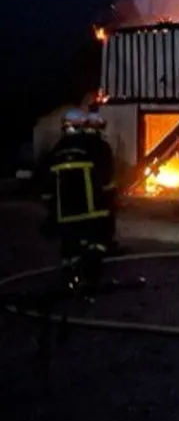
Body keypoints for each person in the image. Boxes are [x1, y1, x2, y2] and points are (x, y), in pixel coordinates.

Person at [42, 108, 112, 291]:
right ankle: (91, 275)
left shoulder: (57, 149)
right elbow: (105, 177)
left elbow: (45, 181)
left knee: (69, 245)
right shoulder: (92, 146)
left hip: (64, 212)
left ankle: (70, 277)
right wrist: (108, 200)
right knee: (95, 241)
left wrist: (51, 208)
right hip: (90, 208)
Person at [83, 110, 121, 254]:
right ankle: (104, 249)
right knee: (104, 222)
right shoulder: (102, 146)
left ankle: (88, 249)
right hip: (101, 194)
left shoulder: (80, 144)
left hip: (82, 194)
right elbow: (108, 171)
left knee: (87, 224)